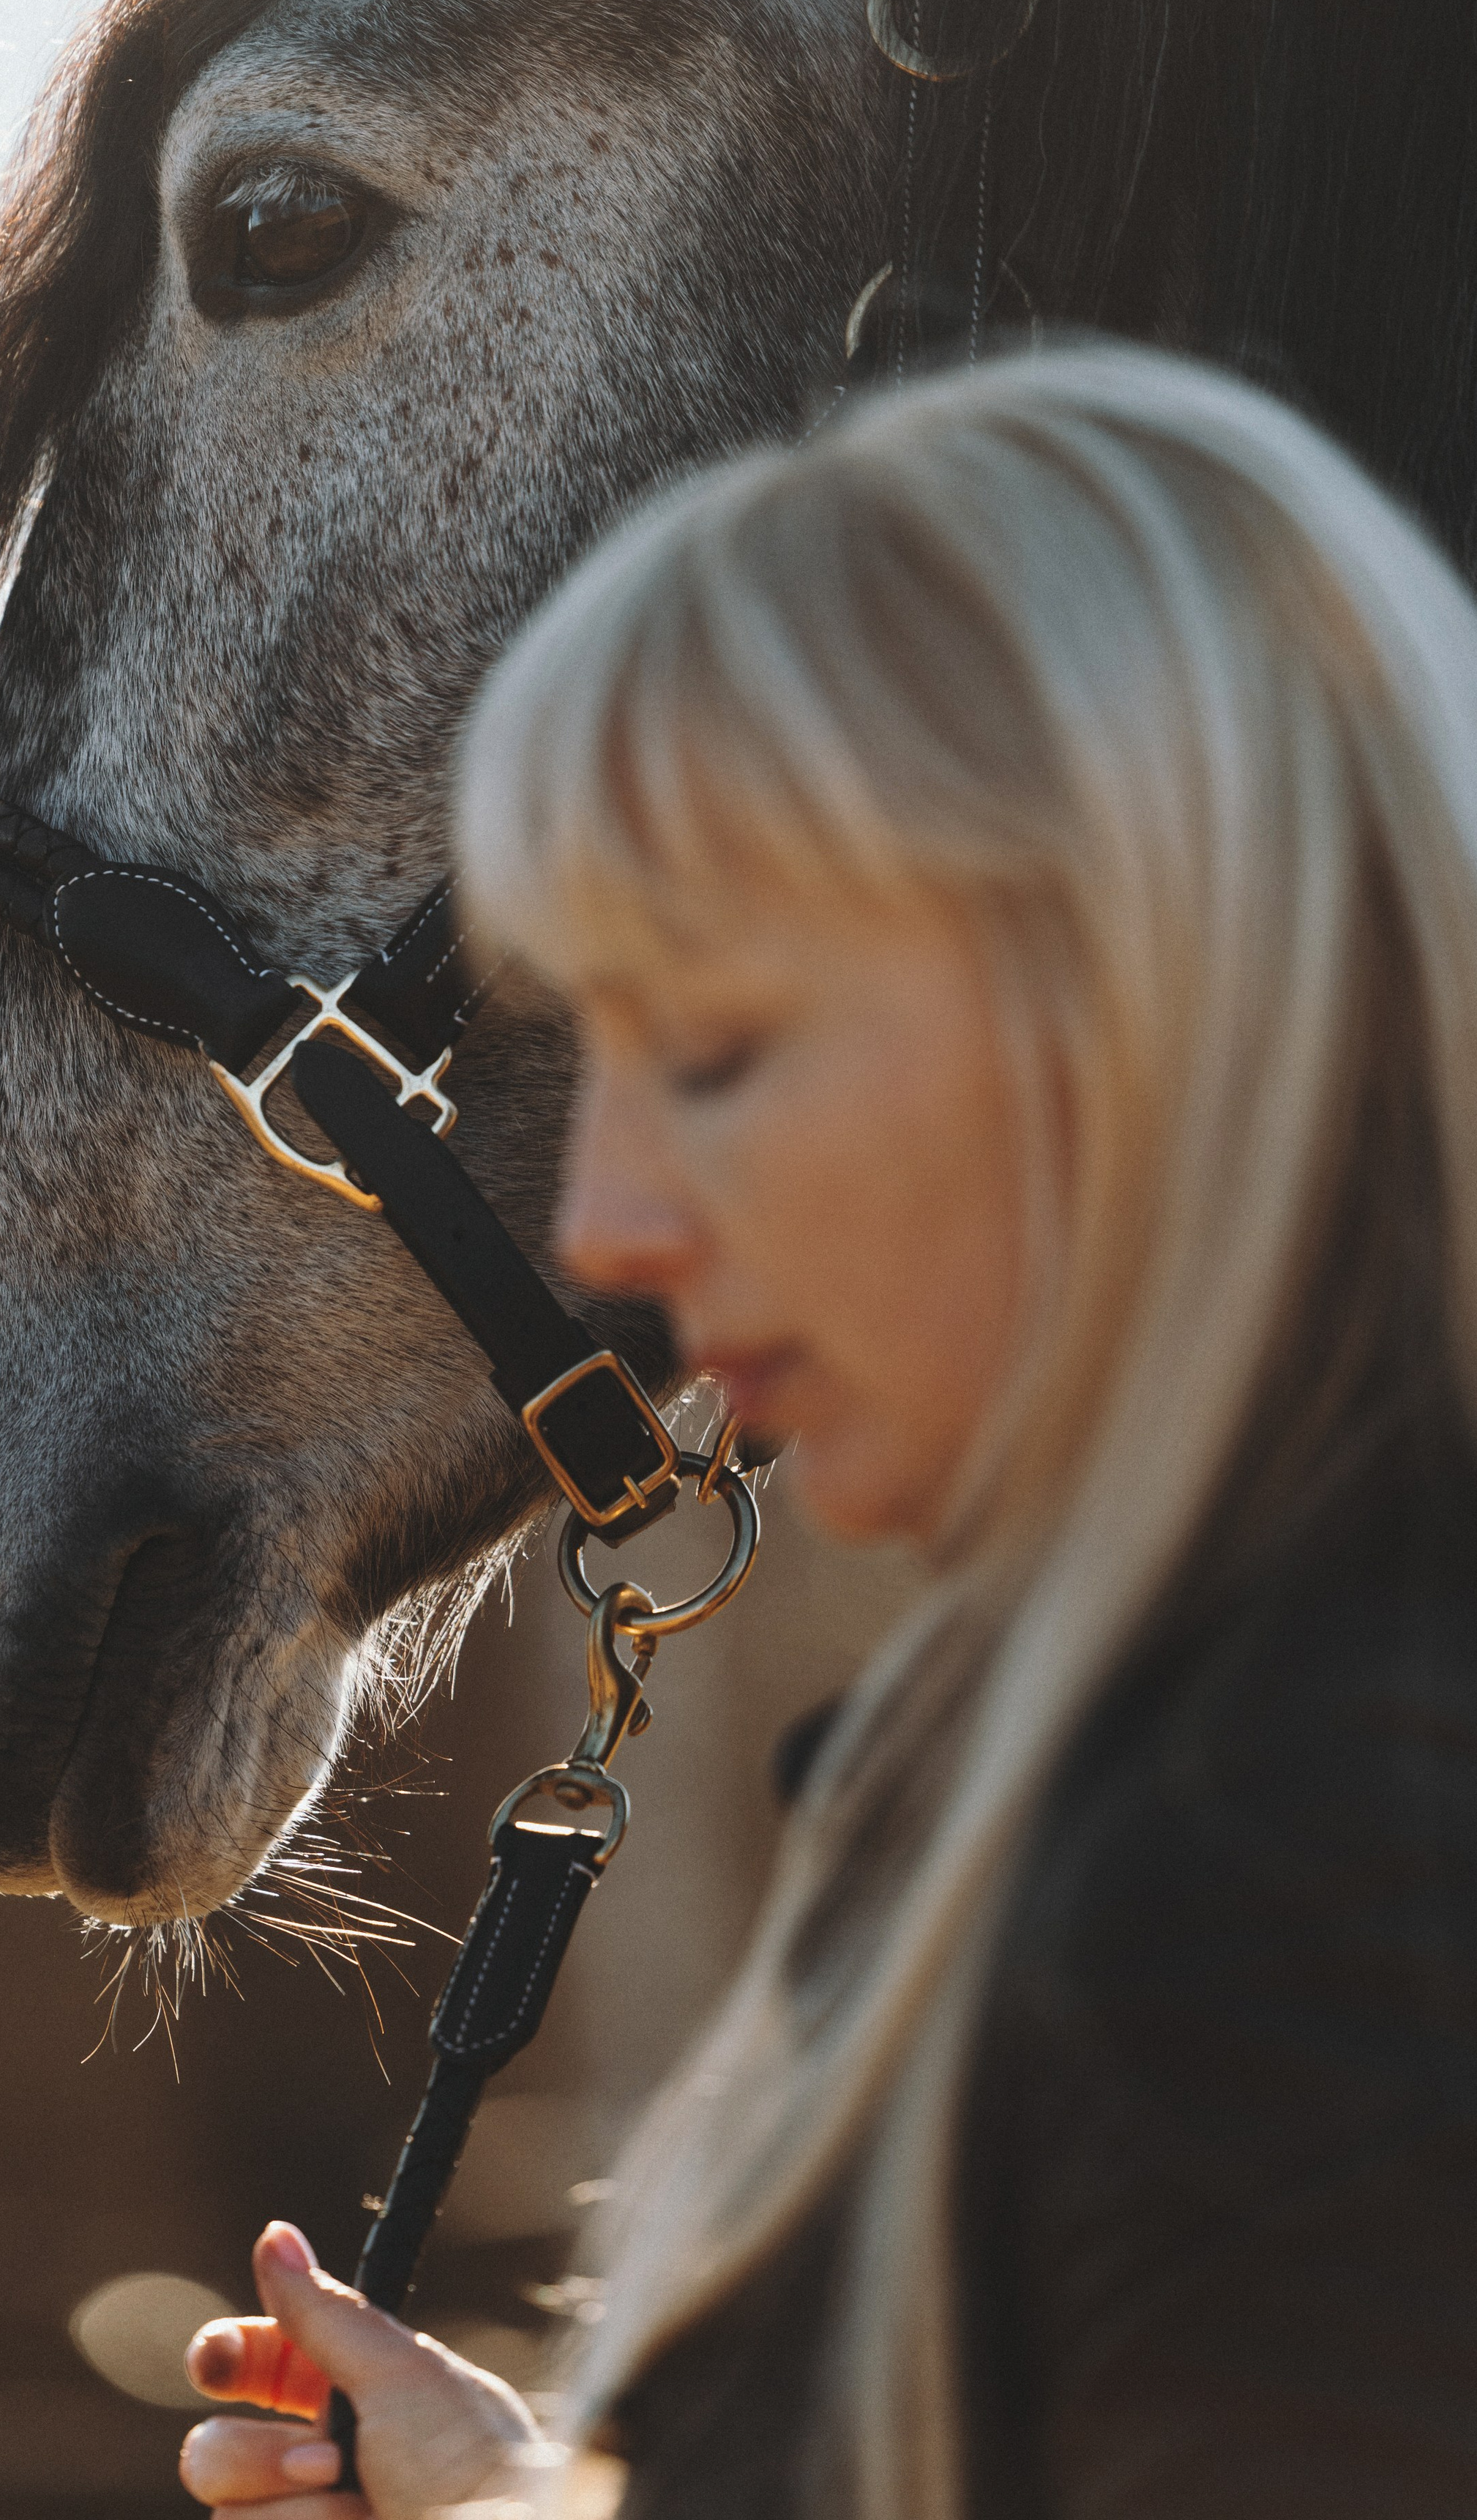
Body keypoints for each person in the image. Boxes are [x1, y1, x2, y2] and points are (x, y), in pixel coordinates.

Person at [176, 340, 1477, 2518]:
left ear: (1148, 987)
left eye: (720, 1047)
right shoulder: (1179, 1777)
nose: (605, 1221)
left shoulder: (1300, 1879)